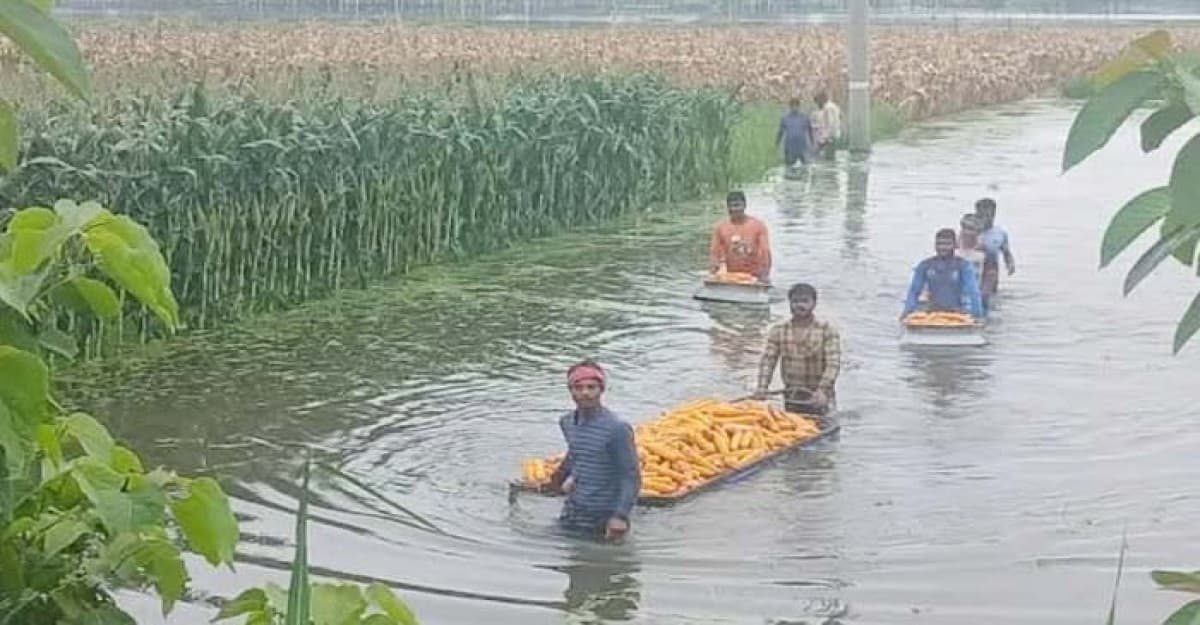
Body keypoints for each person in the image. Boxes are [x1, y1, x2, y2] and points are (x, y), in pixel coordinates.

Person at [546, 360, 640, 541]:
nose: (585, 393)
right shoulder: (567, 422)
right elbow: (576, 454)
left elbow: (630, 475)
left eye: (591, 387)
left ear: (601, 390)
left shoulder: (617, 428)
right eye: (578, 388)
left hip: (604, 515)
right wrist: (556, 480)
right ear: (570, 391)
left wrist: (620, 516)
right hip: (575, 509)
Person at [754, 283, 842, 415]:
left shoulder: (826, 330)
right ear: (790, 303)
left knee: (824, 429)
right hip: (792, 396)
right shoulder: (779, 330)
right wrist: (762, 388)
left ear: (814, 303)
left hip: (819, 397)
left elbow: (833, 364)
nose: (800, 305)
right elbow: (768, 361)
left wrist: (823, 390)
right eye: (795, 301)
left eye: (805, 301)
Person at [902, 228, 984, 320]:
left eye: (947, 244)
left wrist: (977, 314)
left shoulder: (963, 266)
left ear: (954, 245)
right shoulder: (925, 265)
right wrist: (906, 312)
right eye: (939, 244)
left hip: (958, 311)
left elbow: (972, 291)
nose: (942, 247)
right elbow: (914, 291)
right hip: (933, 311)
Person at [709, 191, 772, 283]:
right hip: (733, 275)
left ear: (745, 205)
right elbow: (714, 254)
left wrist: (765, 274)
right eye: (732, 206)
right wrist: (713, 273)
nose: (735, 209)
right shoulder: (721, 228)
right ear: (727, 207)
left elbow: (765, 252)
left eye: (738, 205)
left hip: (754, 276)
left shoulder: (758, 226)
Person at [974, 198, 1015, 306]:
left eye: (989, 214)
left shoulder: (1000, 233)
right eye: (982, 214)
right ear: (976, 213)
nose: (986, 218)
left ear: (994, 213)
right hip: (974, 269)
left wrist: (1010, 264)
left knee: (991, 298)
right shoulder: (970, 231)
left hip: (992, 269)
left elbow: (1006, 252)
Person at [776, 97, 816, 168]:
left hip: (802, 147)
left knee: (805, 167)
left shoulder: (805, 117)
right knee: (789, 167)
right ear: (790, 107)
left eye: (796, 106)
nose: (794, 108)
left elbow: (810, 131)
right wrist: (777, 144)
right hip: (790, 147)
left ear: (798, 106)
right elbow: (780, 132)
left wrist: (812, 144)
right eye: (792, 106)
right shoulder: (785, 118)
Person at [812, 91, 842, 159]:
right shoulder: (833, 106)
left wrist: (824, 139)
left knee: (828, 159)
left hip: (829, 138)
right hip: (833, 136)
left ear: (821, 99)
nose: (817, 104)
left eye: (817, 102)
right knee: (830, 157)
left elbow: (830, 124)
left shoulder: (828, 108)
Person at [958, 213, 986, 280]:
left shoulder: (983, 254)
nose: (966, 232)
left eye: (971, 229)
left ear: (978, 232)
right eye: (964, 228)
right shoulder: (952, 250)